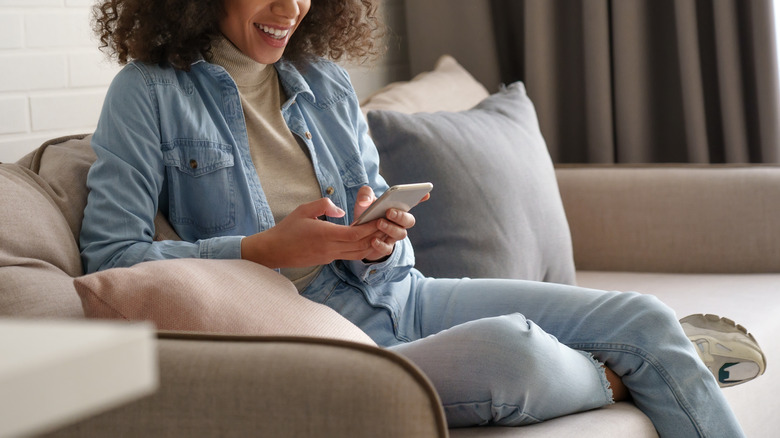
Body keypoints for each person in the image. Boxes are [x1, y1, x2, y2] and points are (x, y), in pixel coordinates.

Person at [82, 0, 765, 436]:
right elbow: (110, 260)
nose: (290, 8)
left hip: (402, 295)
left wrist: (377, 239)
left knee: (643, 314)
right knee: (513, 352)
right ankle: (637, 371)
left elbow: (382, 227)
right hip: (326, 341)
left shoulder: (322, 83)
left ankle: (654, 355)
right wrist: (263, 249)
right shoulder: (146, 95)